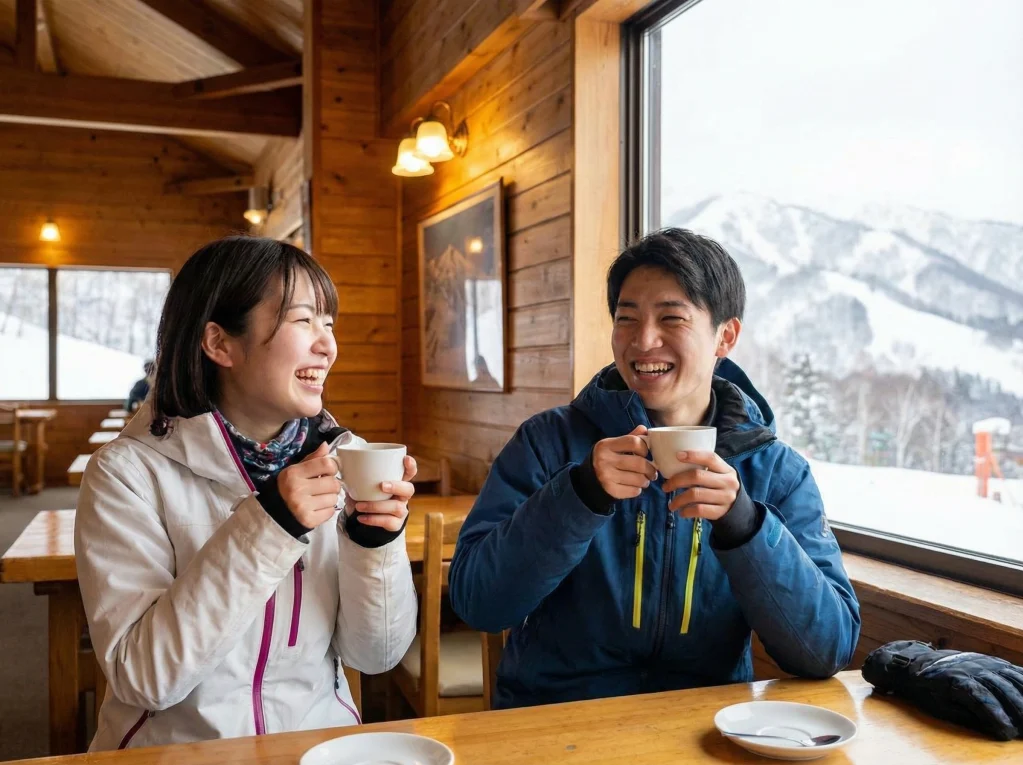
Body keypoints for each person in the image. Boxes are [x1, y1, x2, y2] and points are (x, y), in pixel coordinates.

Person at [448, 228, 861, 708]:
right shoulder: (548, 441)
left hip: (706, 728)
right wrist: (580, 494)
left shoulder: (776, 471)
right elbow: (478, 603)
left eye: (672, 318)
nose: (644, 341)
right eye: (627, 318)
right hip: (559, 723)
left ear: (724, 337)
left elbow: (826, 649)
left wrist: (744, 524)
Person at [76, 237, 418, 750]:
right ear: (219, 344)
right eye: (304, 321)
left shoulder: (344, 459)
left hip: (317, 750)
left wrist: (373, 543)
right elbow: (144, 678)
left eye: (329, 324)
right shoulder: (126, 474)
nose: (328, 345)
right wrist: (272, 523)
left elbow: (377, 655)